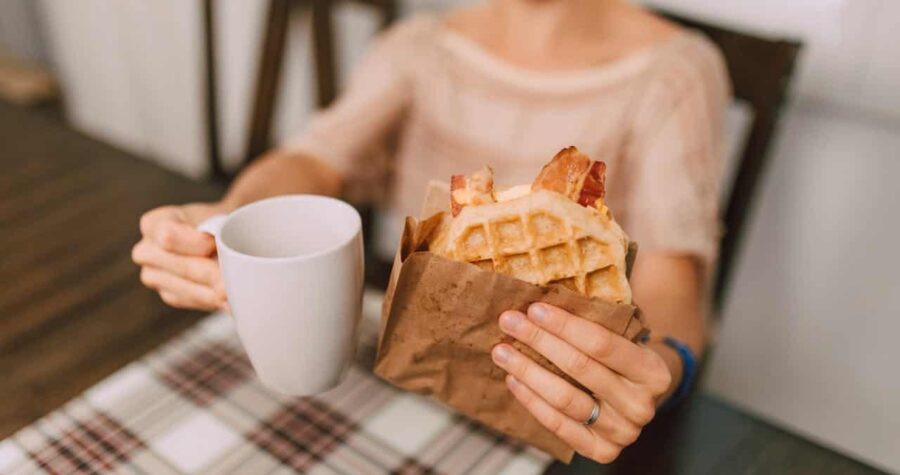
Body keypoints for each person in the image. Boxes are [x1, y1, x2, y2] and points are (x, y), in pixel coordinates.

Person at [132, 0, 728, 464]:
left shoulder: (675, 72)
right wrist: (229, 218)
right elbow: (313, 160)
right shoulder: (420, 48)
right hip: (408, 380)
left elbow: (674, 276)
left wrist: (660, 366)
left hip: (565, 409)